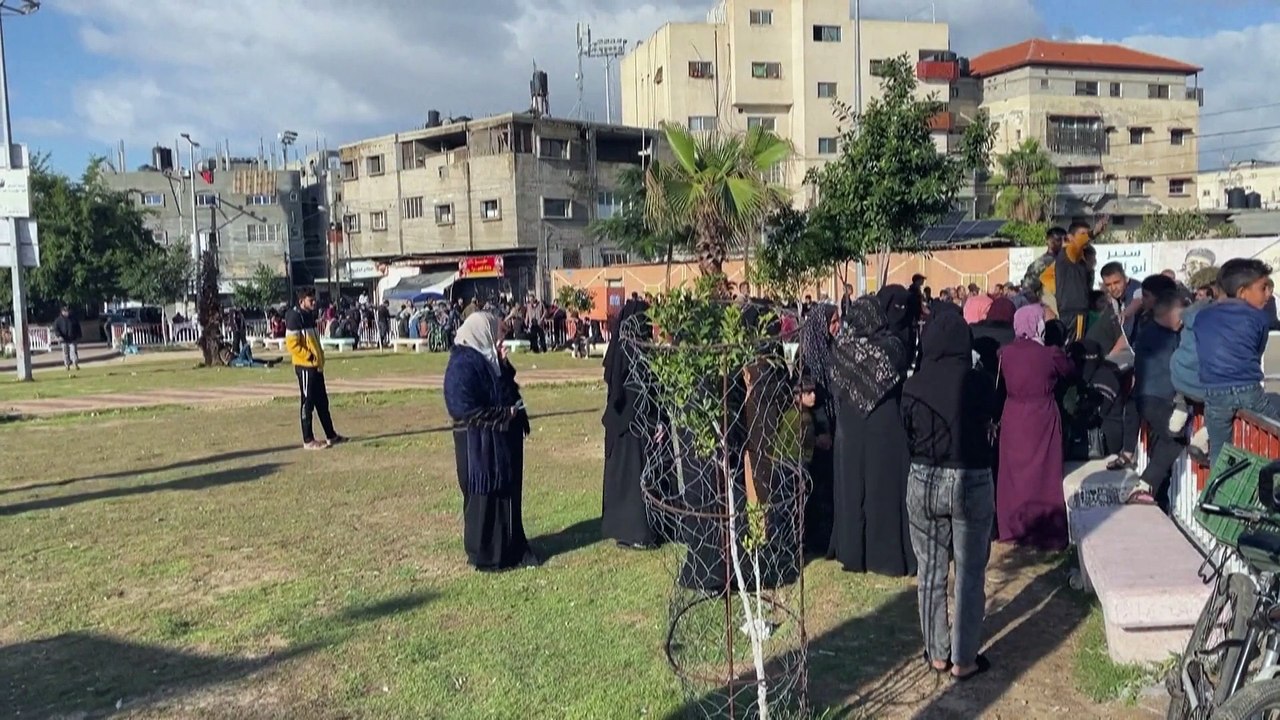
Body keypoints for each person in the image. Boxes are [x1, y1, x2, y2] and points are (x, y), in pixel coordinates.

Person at [902, 311, 996, 681]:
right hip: (971, 478)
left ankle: (937, 652)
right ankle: (963, 659)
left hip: (924, 478)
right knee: (970, 573)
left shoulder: (913, 385)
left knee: (930, 571)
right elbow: (992, 416)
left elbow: (905, 427)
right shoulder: (980, 382)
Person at [444, 311, 540, 572]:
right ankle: (486, 555)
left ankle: (510, 549)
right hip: (477, 447)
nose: (501, 340)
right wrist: (502, 414)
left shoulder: (489, 360)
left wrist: (503, 365)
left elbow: (507, 393)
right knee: (484, 501)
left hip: (502, 444)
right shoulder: (462, 363)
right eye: (497, 334)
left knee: (505, 500)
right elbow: (462, 408)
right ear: (482, 332)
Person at [827, 297, 915, 577]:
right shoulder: (893, 348)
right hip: (884, 424)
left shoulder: (842, 350)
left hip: (850, 425)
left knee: (851, 487)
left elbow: (835, 384)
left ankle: (852, 551)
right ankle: (885, 556)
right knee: (884, 487)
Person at [996, 304, 1073, 551]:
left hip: (1013, 414)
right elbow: (1069, 372)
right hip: (1041, 414)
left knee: (1013, 473)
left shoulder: (1004, 353)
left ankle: (1012, 527)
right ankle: (1044, 530)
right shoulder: (1050, 354)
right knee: (1044, 473)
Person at [1194, 259, 1280, 467]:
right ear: (1242, 292)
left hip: (1214, 393)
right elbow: (1257, 350)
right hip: (1248, 388)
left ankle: (1217, 496)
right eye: (1263, 288)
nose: (1268, 294)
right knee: (1274, 434)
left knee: (1219, 450)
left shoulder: (1202, 316)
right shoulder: (1259, 318)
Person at [601, 300, 663, 550]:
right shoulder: (637, 351)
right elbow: (641, 391)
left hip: (623, 424)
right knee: (634, 481)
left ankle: (626, 529)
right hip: (635, 424)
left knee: (625, 479)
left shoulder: (623, 348)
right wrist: (653, 422)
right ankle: (637, 532)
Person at [1127, 292, 1186, 510]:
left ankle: (1159, 495)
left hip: (1148, 397)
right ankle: (1144, 485)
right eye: (1181, 313)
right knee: (1174, 439)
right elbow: (1176, 369)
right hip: (1157, 398)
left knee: (1162, 441)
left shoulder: (1151, 332)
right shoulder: (1161, 337)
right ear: (1168, 313)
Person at [798, 304, 840, 555]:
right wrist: (822, 429)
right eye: (833, 321)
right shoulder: (808, 356)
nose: (837, 326)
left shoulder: (829, 348)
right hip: (816, 429)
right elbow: (811, 396)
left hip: (831, 426)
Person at [285, 288, 345, 450]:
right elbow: (292, 344)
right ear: (301, 301)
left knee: (322, 402)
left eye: (314, 300)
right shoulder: (294, 317)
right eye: (310, 300)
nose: (314, 302)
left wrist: (318, 359)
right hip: (305, 367)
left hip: (316, 367)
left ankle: (331, 435)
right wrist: (309, 357)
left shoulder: (308, 315)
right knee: (307, 402)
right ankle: (308, 440)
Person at [1099, 262, 1143, 339]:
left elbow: (1138, 300)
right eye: (1108, 285)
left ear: (1125, 278)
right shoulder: (1112, 299)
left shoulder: (1137, 288)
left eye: (1116, 282)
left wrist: (1126, 313)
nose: (1113, 288)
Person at [53, 305, 81, 371]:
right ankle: (67, 365)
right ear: (62, 312)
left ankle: (75, 364)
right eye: (65, 311)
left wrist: (79, 335)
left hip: (72, 338)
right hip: (63, 339)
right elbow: (56, 329)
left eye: (68, 311)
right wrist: (59, 336)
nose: (67, 312)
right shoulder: (58, 320)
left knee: (73, 351)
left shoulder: (73, 319)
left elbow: (78, 327)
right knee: (65, 353)